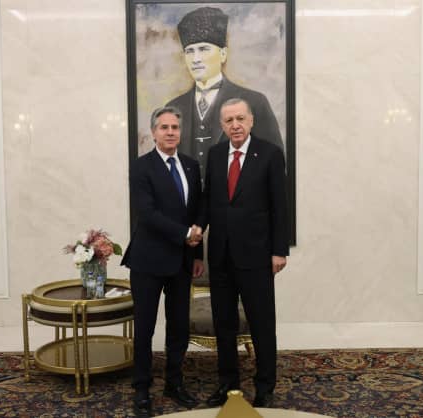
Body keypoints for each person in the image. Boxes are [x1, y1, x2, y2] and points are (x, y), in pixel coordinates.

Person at [197, 98, 289, 408]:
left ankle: (265, 387)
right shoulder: (215, 154)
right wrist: (197, 228)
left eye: (240, 119)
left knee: (262, 324)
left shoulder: (270, 154)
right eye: (229, 121)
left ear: (251, 121)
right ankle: (228, 385)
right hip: (221, 256)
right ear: (222, 125)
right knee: (224, 325)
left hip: (257, 256)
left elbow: (280, 207)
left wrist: (279, 251)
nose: (235, 125)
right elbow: (208, 199)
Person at [122, 106, 204, 417]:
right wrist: (185, 233)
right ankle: (142, 388)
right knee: (144, 328)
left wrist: (197, 252)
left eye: (175, 127)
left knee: (179, 326)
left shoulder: (191, 166)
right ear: (154, 132)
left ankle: (174, 383)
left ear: (180, 132)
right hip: (148, 261)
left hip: (182, 262)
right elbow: (147, 214)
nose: (170, 132)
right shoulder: (141, 167)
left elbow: (196, 209)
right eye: (164, 127)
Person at [167, 6, 283, 180]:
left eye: (203, 49)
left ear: (223, 54)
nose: (195, 59)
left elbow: (276, 163)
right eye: (189, 51)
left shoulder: (255, 102)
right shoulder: (173, 107)